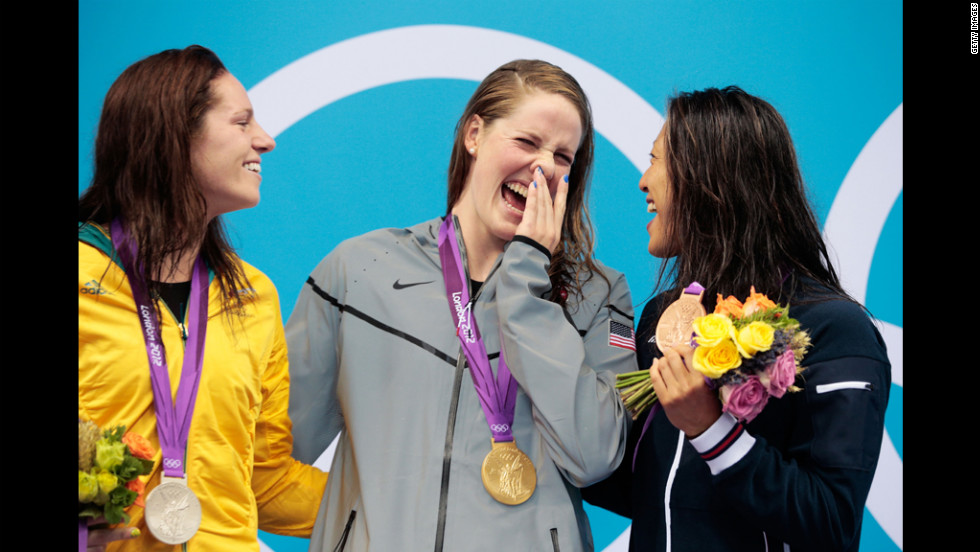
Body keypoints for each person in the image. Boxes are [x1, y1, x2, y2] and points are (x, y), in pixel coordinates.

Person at [286, 59, 638, 551]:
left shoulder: (596, 293)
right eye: (527, 141)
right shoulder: (359, 269)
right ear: (474, 133)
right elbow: (279, 447)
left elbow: (594, 455)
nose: (544, 167)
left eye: (563, 155)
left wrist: (527, 281)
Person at [582, 86, 891, 552]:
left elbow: (832, 522)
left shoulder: (835, 328)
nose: (643, 181)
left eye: (657, 160)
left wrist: (712, 431)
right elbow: (655, 491)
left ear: (712, 178)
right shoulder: (660, 318)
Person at [78, 45, 327, 551]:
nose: (266, 140)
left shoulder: (254, 296)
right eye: (242, 122)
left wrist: (414, 500)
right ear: (173, 133)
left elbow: (267, 482)